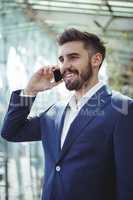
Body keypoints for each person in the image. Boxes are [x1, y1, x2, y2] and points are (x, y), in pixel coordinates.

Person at [1, 28, 133, 200]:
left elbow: (128, 183)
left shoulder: (122, 108)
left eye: (73, 57)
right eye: (62, 59)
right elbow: (11, 132)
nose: (65, 66)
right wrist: (30, 91)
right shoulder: (55, 111)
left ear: (96, 59)